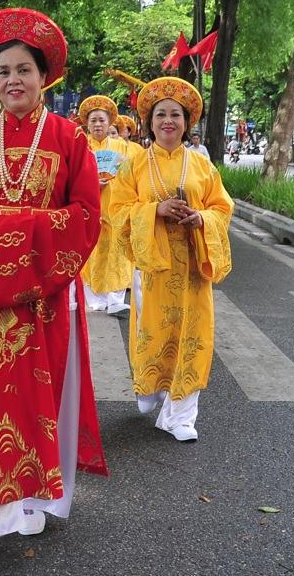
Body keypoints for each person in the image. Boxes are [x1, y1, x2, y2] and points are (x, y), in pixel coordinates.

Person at [0, 7, 107, 568]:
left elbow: (85, 213)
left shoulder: (68, 139)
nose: (14, 79)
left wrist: (7, 238)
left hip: (44, 300)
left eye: (24, 70)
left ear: (43, 77)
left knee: (38, 407)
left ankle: (29, 505)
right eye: (4, 70)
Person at [108, 77, 234, 442]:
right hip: (153, 265)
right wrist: (155, 210)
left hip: (194, 263)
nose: (168, 121)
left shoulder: (201, 166)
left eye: (175, 115)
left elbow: (222, 208)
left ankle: (180, 415)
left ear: (186, 122)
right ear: (150, 121)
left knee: (194, 334)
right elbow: (116, 210)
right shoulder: (133, 166)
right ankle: (151, 384)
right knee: (155, 330)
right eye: (160, 114)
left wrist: (203, 219)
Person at [78, 94, 133, 316]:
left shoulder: (124, 148)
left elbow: (131, 175)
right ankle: (95, 299)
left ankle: (116, 298)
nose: (98, 124)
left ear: (110, 123)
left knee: (118, 253)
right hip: (89, 208)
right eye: (93, 120)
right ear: (87, 124)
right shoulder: (80, 147)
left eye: (102, 120)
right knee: (91, 254)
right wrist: (90, 182)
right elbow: (70, 177)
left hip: (116, 206)